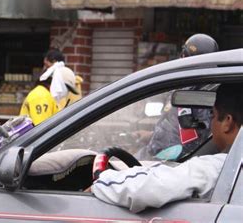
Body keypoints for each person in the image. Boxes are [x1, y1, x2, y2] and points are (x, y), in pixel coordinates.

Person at [91, 82, 243, 213]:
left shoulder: (221, 168)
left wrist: (100, 182)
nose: (210, 124)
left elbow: (146, 189)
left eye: (213, 116)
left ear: (227, 122)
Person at [139, 34, 219, 160]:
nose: (181, 58)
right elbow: (174, 125)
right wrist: (151, 135)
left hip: (173, 160)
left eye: (184, 55)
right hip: (160, 151)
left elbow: (199, 137)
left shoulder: (204, 93)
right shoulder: (184, 85)